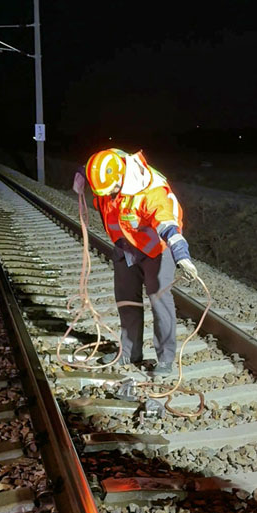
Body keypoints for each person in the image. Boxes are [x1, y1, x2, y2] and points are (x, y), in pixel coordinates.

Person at [73, 148, 198, 376]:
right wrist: (82, 174)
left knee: (160, 303)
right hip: (125, 247)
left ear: (120, 178)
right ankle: (130, 352)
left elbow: (167, 223)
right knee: (126, 300)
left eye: (111, 190)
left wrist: (181, 254)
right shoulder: (108, 171)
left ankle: (165, 360)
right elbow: (99, 162)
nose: (107, 195)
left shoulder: (151, 191)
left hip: (157, 252)